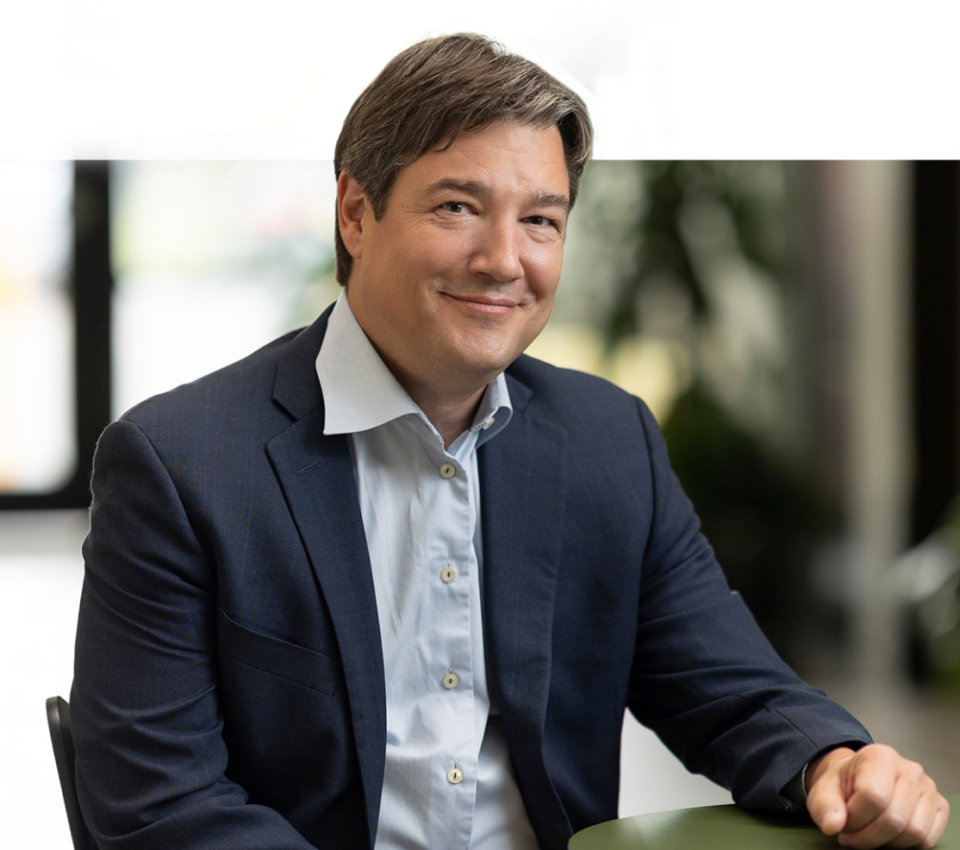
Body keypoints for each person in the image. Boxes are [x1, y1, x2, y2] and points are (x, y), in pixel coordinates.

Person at [71, 28, 949, 850]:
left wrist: (837, 764)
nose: (504, 259)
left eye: (541, 220)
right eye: (458, 206)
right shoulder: (182, 464)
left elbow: (729, 690)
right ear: (355, 213)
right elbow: (162, 807)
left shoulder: (610, 440)